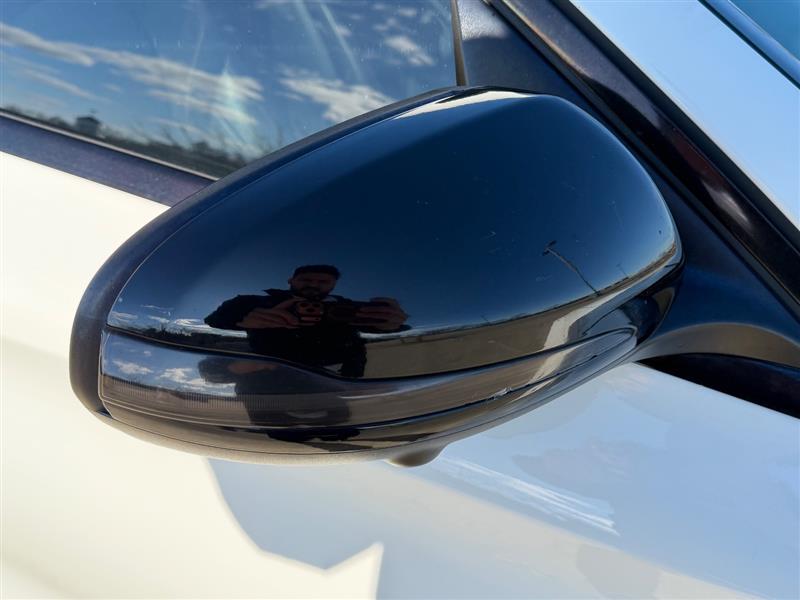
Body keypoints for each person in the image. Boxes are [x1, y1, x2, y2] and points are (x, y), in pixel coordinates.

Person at [204, 265, 407, 377]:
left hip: (336, 377)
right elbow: (212, 322)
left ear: (334, 285)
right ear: (291, 280)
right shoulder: (251, 302)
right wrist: (241, 320)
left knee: (337, 431)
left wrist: (393, 323)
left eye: (323, 281)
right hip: (264, 373)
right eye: (306, 280)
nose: (314, 285)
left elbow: (379, 332)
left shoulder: (350, 309)